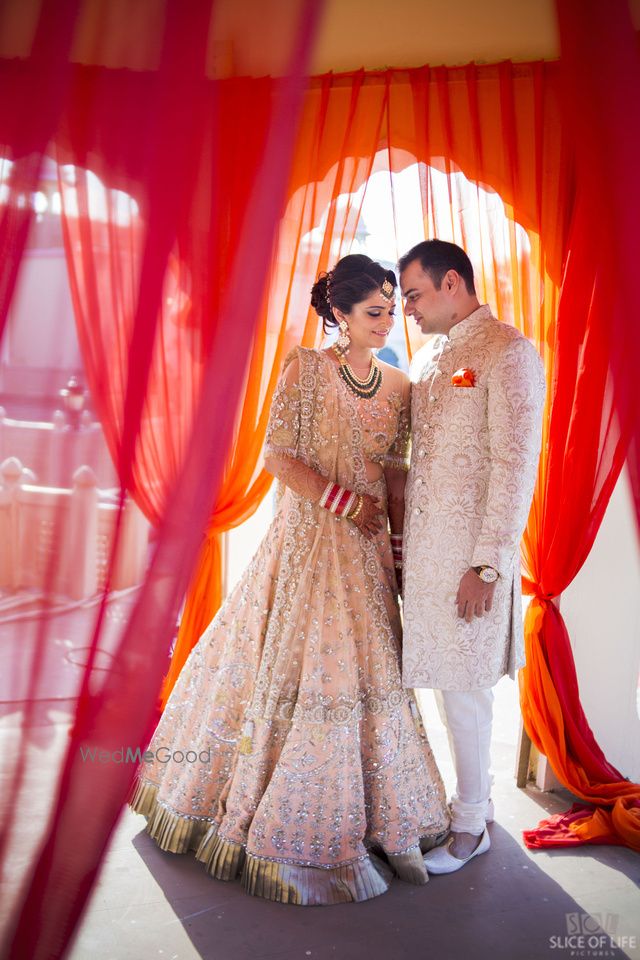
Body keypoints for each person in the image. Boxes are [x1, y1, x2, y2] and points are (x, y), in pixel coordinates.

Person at [129, 254, 449, 905]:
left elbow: (394, 473)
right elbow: (278, 455)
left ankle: (387, 824)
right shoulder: (306, 368)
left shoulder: (398, 385)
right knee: (296, 669)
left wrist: (399, 553)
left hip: (363, 560)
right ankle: (266, 818)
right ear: (338, 313)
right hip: (306, 547)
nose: (388, 321)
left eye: (391, 309)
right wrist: (342, 502)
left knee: (370, 678)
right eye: (374, 311)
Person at [399, 239, 546, 874]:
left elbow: (515, 468)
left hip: (470, 565)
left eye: (413, 294)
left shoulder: (506, 351)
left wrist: (488, 564)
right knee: (444, 686)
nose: (406, 309)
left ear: (452, 282)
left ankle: (470, 828)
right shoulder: (439, 356)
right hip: (428, 562)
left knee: (466, 693)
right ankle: (475, 805)